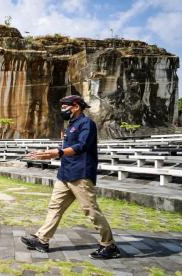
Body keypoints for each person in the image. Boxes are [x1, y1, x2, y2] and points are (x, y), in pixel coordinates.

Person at [20, 95, 120, 260]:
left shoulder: (87, 124)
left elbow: (81, 146)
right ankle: (42, 240)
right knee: (54, 207)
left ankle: (109, 245)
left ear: (76, 106)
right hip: (65, 173)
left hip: (80, 174)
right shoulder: (71, 125)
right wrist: (47, 155)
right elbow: (66, 149)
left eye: (65, 106)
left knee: (91, 210)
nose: (62, 110)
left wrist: (58, 152)